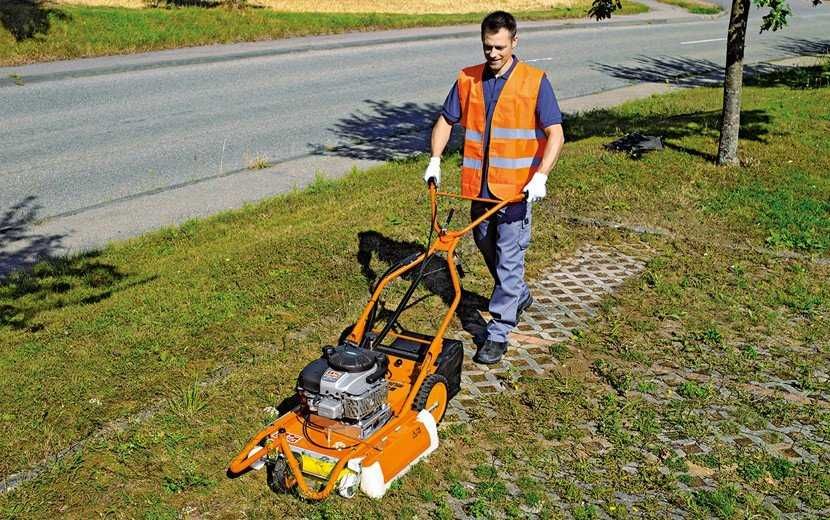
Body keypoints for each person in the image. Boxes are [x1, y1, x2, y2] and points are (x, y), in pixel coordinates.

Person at [424, 10, 565, 365]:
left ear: (514, 43)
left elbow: (556, 134)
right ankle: (518, 293)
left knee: (510, 257)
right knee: (492, 252)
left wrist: (541, 176)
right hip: (478, 190)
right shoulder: (468, 80)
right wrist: (436, 159)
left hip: (516, 193)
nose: (493, 54)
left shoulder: (534, 81)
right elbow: (445, 121)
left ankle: (499, 332)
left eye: (500, 47)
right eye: (488, 47)